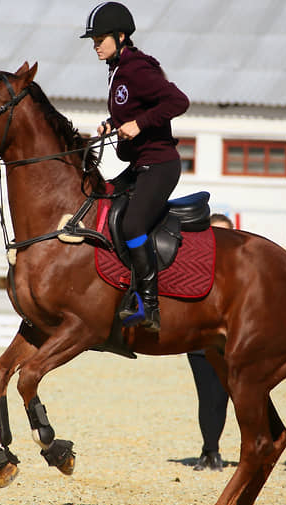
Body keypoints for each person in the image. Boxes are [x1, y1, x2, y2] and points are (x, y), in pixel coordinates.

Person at [81, 1, 190, 332]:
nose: (96, 45)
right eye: (94, 40)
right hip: (140, 164)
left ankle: (149, 305)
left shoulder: (138, 69)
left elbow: (178, 101)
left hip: (160, 165)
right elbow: (130, 109)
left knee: (132, 225)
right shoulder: (117, 70)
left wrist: (140, 125)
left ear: (121, 36)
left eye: (100, 39)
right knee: (104, 201)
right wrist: (110, 125)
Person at [189, 213, 233, 471]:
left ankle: (212, 449)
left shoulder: (238, 270)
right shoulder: (196, 268)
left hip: (229, 341)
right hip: (199, 342)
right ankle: (210, 449)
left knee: (222, 397)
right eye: (215, 233)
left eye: (225, 233)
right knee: (206, 397)